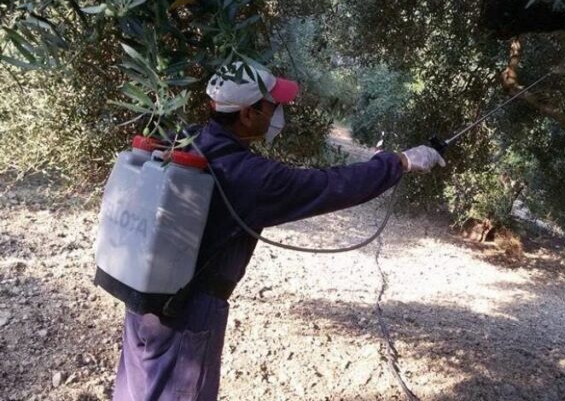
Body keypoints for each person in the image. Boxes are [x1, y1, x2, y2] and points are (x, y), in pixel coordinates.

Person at [112, 62, 445, 400]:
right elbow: (331, 186)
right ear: (246, 113)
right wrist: (400, 162)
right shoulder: (250, 177)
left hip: (143, 295)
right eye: (273, 105)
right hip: (191, 310)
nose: (279, 113)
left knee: (136, 389)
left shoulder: (189, 139)